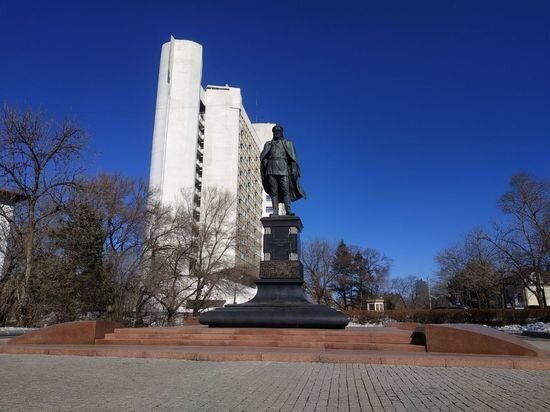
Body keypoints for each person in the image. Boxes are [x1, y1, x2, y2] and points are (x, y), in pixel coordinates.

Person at [260, 125, 306, 216]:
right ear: (273, 133)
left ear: (282, 132)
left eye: (279, 131)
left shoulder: (288, 143)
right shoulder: (268, 144)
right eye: (275, 131)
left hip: (283, 168)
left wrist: (294, 169)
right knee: (273, 191)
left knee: (285, 189)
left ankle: (288, 210)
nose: (277, 132)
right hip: (271, 169)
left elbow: (293, 158)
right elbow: (263, 157)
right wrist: (266, 163)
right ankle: (275, 212)